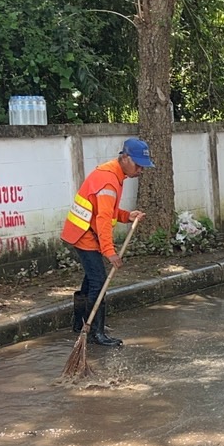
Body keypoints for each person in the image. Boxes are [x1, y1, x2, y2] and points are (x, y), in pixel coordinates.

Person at [61, 137, 153, 346]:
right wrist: (109, 251)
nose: (141, 170)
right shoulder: (109, 180)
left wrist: (126, 216)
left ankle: (80, 323)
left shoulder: (113, 174)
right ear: (125, 157)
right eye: (138, 165)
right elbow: (103, 219)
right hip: (85, 234)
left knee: (91, 279)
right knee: (99, 282)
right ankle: (95, 333)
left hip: (84, 231)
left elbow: (107, 210)